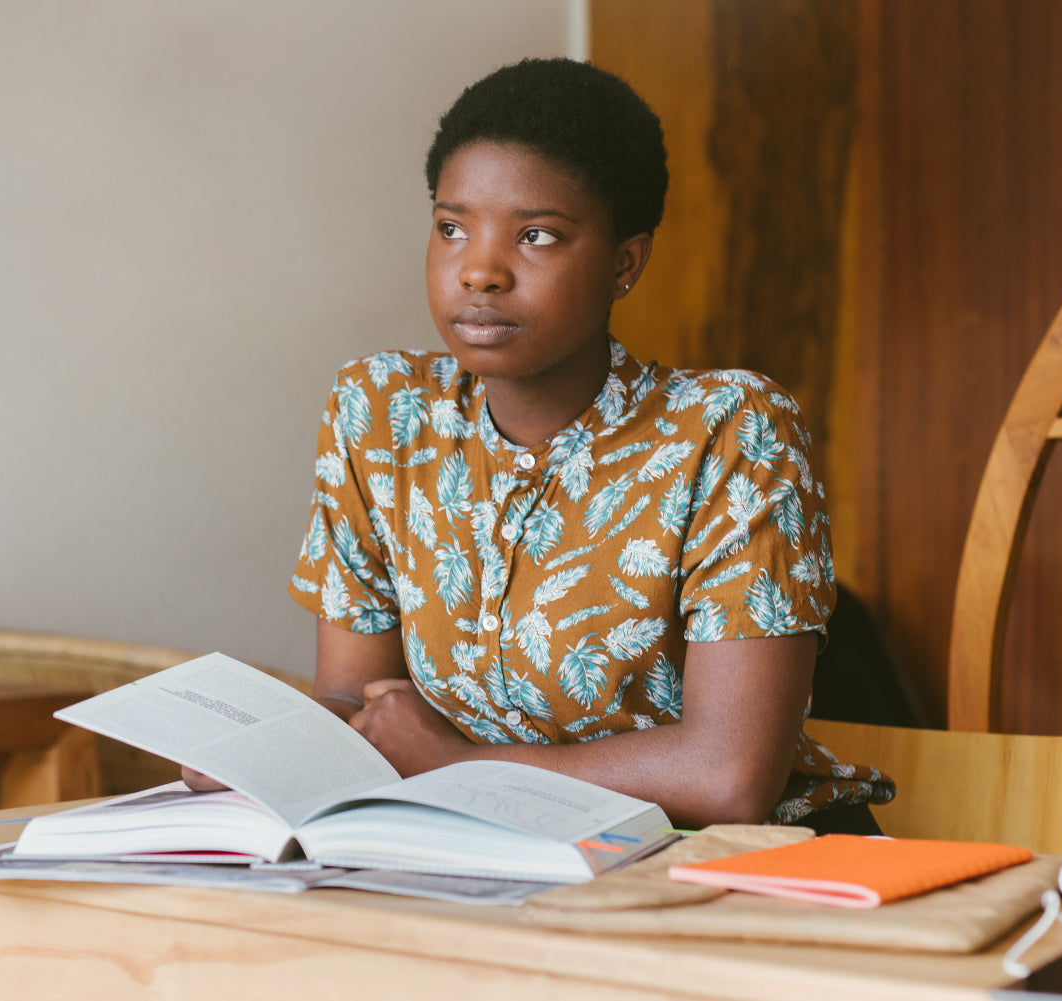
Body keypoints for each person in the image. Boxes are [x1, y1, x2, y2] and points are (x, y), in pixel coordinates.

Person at [191, 57, 893, 834]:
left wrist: (459, 767)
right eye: (452, 227)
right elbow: (366, 704)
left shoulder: (730, 429)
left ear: (624, 263)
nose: (480, 271)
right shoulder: (382, 415)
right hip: (488, 854)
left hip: (721, 870)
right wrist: (266, 749)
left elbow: (728, 778)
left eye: (536, 236)